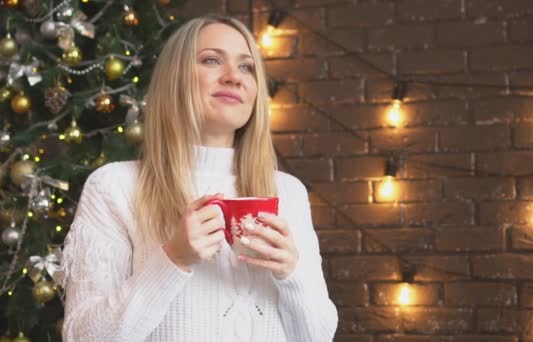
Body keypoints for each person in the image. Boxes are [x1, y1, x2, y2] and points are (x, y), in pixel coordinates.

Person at [57, 14, 338, 342]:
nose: (234, 77)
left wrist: (292, 274)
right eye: (212, 60)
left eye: (246, 67)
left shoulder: (287, 192)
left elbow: (317, 337)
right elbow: (83, 337)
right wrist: (173, 259)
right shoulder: (114, 187)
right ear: (175, 78)